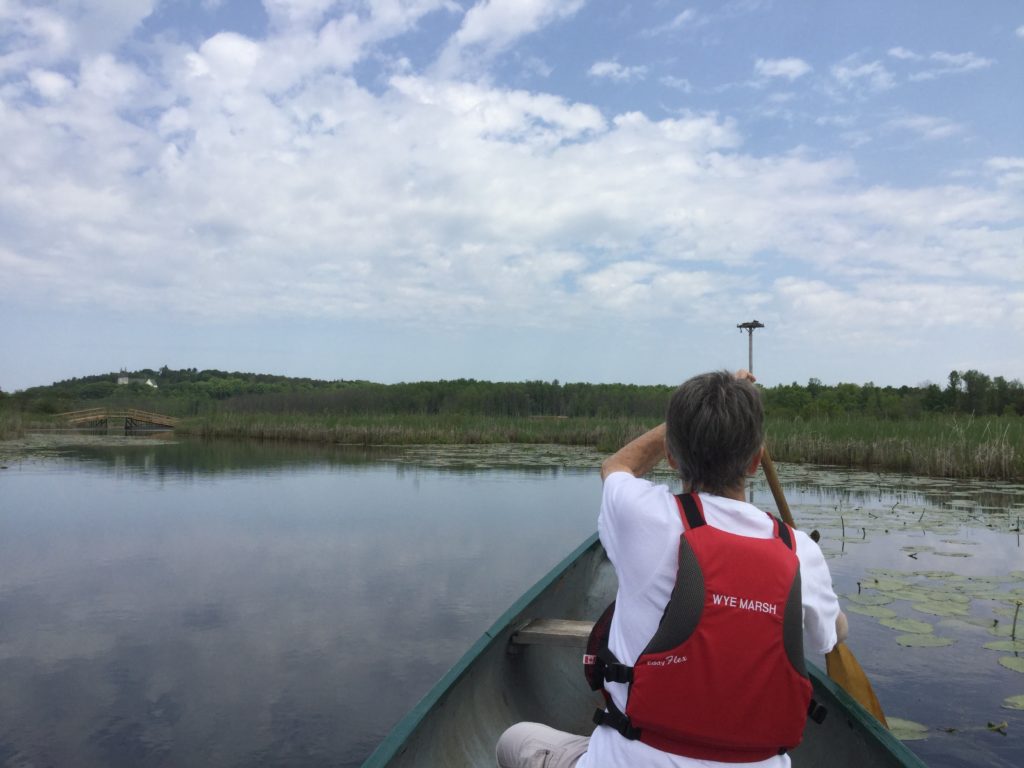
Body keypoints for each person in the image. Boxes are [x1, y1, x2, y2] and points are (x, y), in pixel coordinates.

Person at [496, 370, 847, 768]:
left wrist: (685, 422)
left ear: (672, 457)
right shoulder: (799, 551)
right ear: (754, 461)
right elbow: (831, 637)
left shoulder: (645, 516)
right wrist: (831, 612)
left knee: (514, 741)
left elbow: (617, 465)